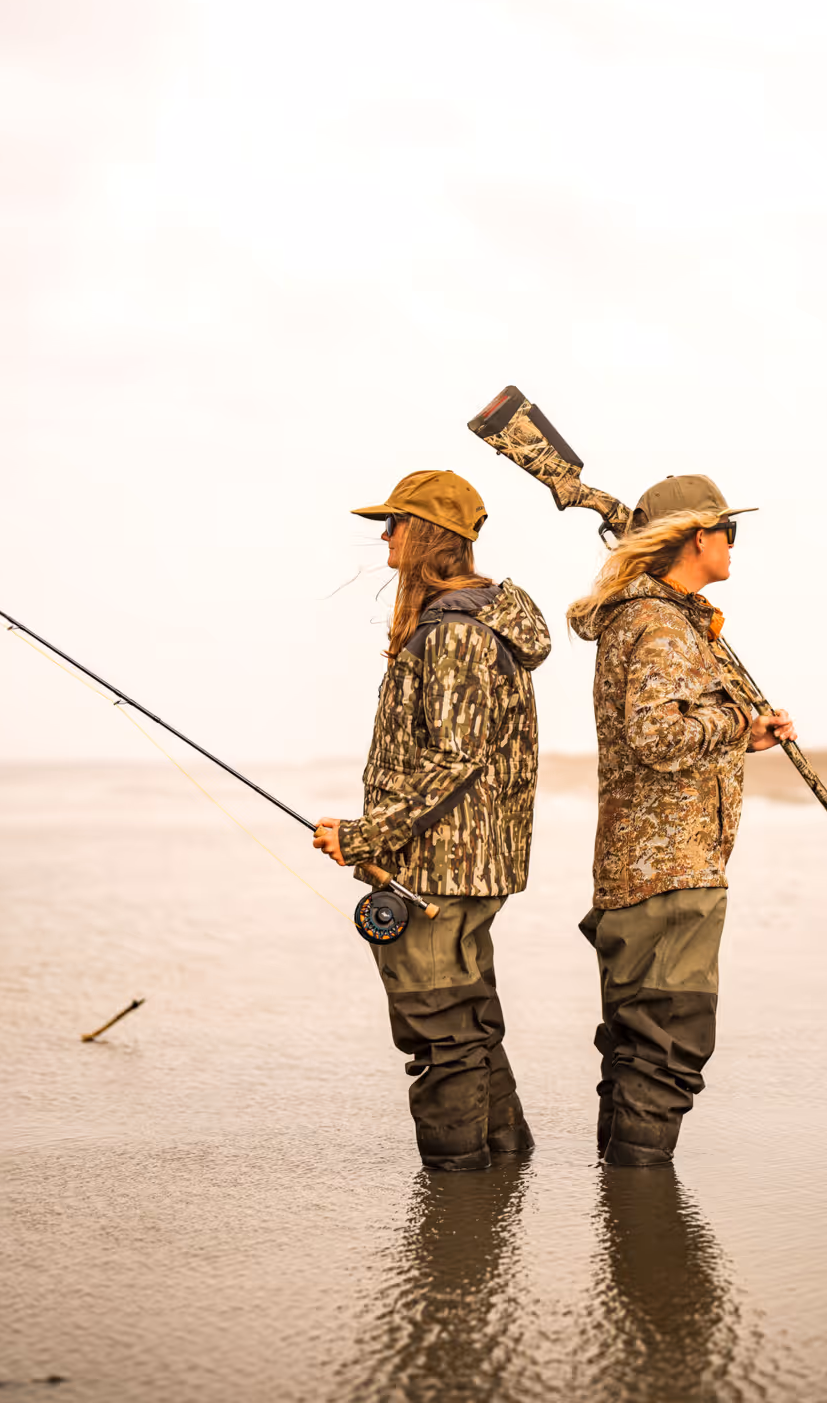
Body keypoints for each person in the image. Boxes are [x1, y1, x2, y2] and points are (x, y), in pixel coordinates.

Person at [312, 469, 553, 1172]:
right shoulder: (459, 624)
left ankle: (455, 1200)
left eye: (395, 523)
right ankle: (503, 1173)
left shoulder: (456, 634)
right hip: (456, 864)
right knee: (467, 1030)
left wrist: (363, 836)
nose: (384, 536)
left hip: (441, 871)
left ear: (427, 536)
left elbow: (455, 759)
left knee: (440, 1038)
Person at [564, 474, 793, 1168]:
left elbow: (664, 730)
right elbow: (658, 736)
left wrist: (739, 735)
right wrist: (735, 718)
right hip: (670, 874)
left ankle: (625, 1226)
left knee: (637, 1049)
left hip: (643, 876)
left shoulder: (652, 617)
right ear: (699, 537)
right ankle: (645, 1232)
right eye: (729, 530)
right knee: (669, 1045)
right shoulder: (661, 624)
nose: (733, 545)